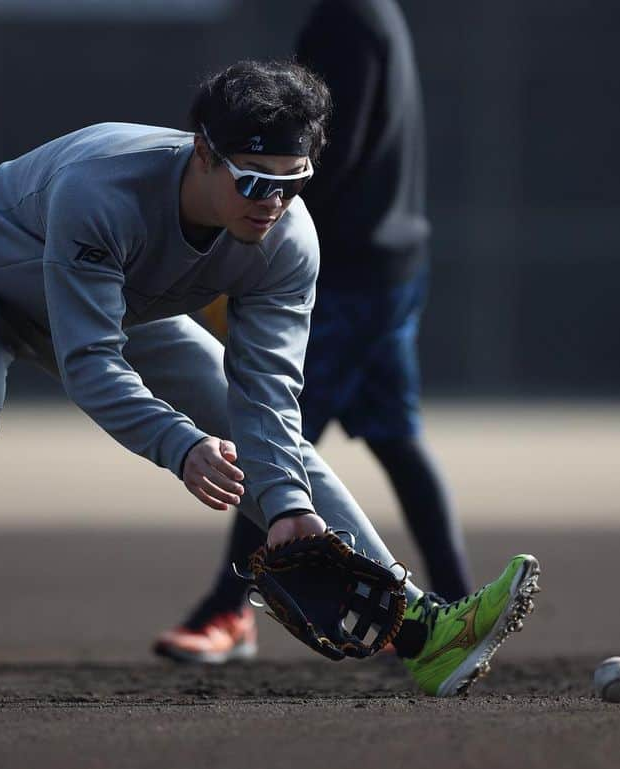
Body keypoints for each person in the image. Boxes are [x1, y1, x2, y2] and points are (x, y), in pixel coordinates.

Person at [0, 59, 539, 704]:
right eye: (256, 181)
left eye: (293, 184)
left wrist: (289, 506)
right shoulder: (101, 190)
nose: (273, 203)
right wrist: (181, 445)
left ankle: (422, 631)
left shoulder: (287, 243)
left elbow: (266, 397)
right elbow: (90, 364)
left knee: (278, 445)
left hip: (119, 301)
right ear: (202, 151)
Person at [155, 0, 473, 665]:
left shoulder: (346, 20)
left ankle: (226, 609)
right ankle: (459, 605)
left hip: (348, 272)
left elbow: (322, 158)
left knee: (269, 435)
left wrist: (245, 252)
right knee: (394, 436)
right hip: (392, 261)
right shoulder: (372, 12)